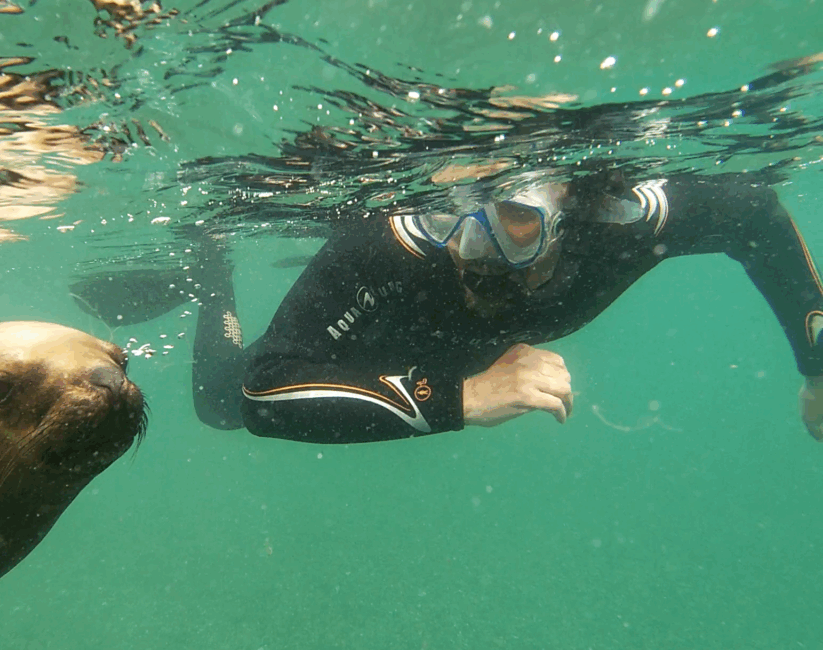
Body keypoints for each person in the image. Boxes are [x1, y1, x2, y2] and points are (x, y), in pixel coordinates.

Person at [74, 170, 823, 444]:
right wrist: (460, 397)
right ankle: (214, 269)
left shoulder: (613, 224)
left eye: (513, 220)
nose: (472, 247)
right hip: (373, 350)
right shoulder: (381, 249)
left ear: (567, 212)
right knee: (217, 405)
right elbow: (265, 392)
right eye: (446, 218)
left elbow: (753, 212)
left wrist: (818, 367)